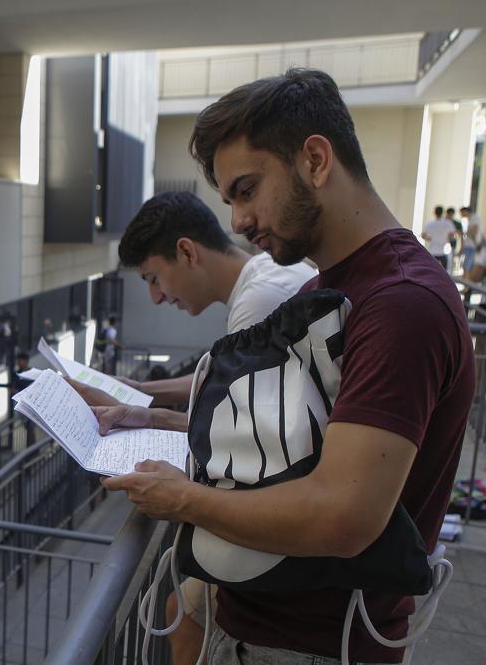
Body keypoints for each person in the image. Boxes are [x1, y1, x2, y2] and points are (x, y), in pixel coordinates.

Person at [103, 69, 473, 665]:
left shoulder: (402, 304)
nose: (240, 222)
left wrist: (182, 500)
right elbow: (286, 445)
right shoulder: (340, 288)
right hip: (271, 631)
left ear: (316, 160)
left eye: (247, 190)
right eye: (231, 201)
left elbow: (341, 514)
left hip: (311, 646)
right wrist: (149, 415)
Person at [80, 189, 314, 665]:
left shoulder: (256, 304)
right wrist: (145, 398)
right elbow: (225, 390)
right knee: (183, 613)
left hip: (286, 545)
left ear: (186, 251)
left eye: (153, 278)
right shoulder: (266, 279)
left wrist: (155, 423)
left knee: (184, 614)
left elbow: (240, 434)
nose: (156, 296)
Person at [421, 204, 457, 270]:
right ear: (443, 212)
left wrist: (430, 238)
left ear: (434, 212)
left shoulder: (430, 224)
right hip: (445, 251)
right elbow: (452, 236)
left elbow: (423, 235)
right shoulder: (448, 223)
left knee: (433, 272)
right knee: (445, 273)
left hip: (433, 251)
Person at [459, 206, 482, 272]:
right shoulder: (470, 219)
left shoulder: (474, 218)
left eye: (462, 213)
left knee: (467, 267)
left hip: (472, 246)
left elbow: (474, 232)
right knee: (465, 266)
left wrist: (463, 233)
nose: (461, 214)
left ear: (466, 211)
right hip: (470, 245)